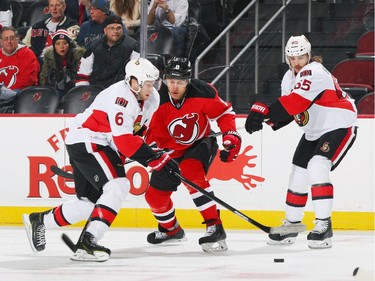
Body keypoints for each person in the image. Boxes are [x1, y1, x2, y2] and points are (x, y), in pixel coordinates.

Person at [22, 58, 179, 262]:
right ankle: (89, 241)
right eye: (147, 84)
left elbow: (138, 134)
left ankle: (41, 221)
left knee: (90, 203)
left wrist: (155, 154)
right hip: (88, 140)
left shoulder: (152, 98)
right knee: (118, 185)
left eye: (153, 83)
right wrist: (155, 159)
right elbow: (124, 141)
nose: (152, 88)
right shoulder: (120, 98)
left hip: (100, 144)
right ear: (134, 81)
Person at [245, 35, 358, 249]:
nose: (297, 62)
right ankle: (291, 225)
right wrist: (264, 120)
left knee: (317, 166)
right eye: (292, 57)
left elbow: (295, 103)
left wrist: (264, 111)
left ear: (309, 56)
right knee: (298, 174)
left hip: (339, 125)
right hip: (313, 131)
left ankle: (324, 226)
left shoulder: (314, 72)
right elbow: (289, 113)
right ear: (287, 58)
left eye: (301, 57)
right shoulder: (289, 78)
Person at [144, 57, 242, 252]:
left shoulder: (202, 92)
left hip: (199, 143)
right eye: (171, 81)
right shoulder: (154, 100)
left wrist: (231, 134)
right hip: (167, 153)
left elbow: (224, 113)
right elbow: (144, 132)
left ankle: (214, 225)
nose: (174, 86)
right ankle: (171, 230)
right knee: (154, 197)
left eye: (180, 82)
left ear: (188, 81)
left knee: (192, 174)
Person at [76, 13, 140, 89]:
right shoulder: (94, 46)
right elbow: (83, 74)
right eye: (112, 28)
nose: (116, 31)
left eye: (119, 28)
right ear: (105, 30)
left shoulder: (132, 46)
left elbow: (136, 75)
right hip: (96, 91)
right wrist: (85, 93)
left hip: (121, 91)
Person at [0, 26, 40, 113]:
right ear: (1, 41)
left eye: (12, 38)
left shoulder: (27, 53)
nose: (9, 41)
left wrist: (7, 93)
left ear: (17, 39)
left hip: (21, 95)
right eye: (6, 39)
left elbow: (28, 80)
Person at [39, 29, 85, 99]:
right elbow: (43, 78)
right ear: (54, 46)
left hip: (75, 91)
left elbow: (83, 78)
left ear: (69, 44)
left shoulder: (78, 56)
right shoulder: (49, 57)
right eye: (58, 44)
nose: (61, 47)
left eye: (65, 43)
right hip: (55, 91)